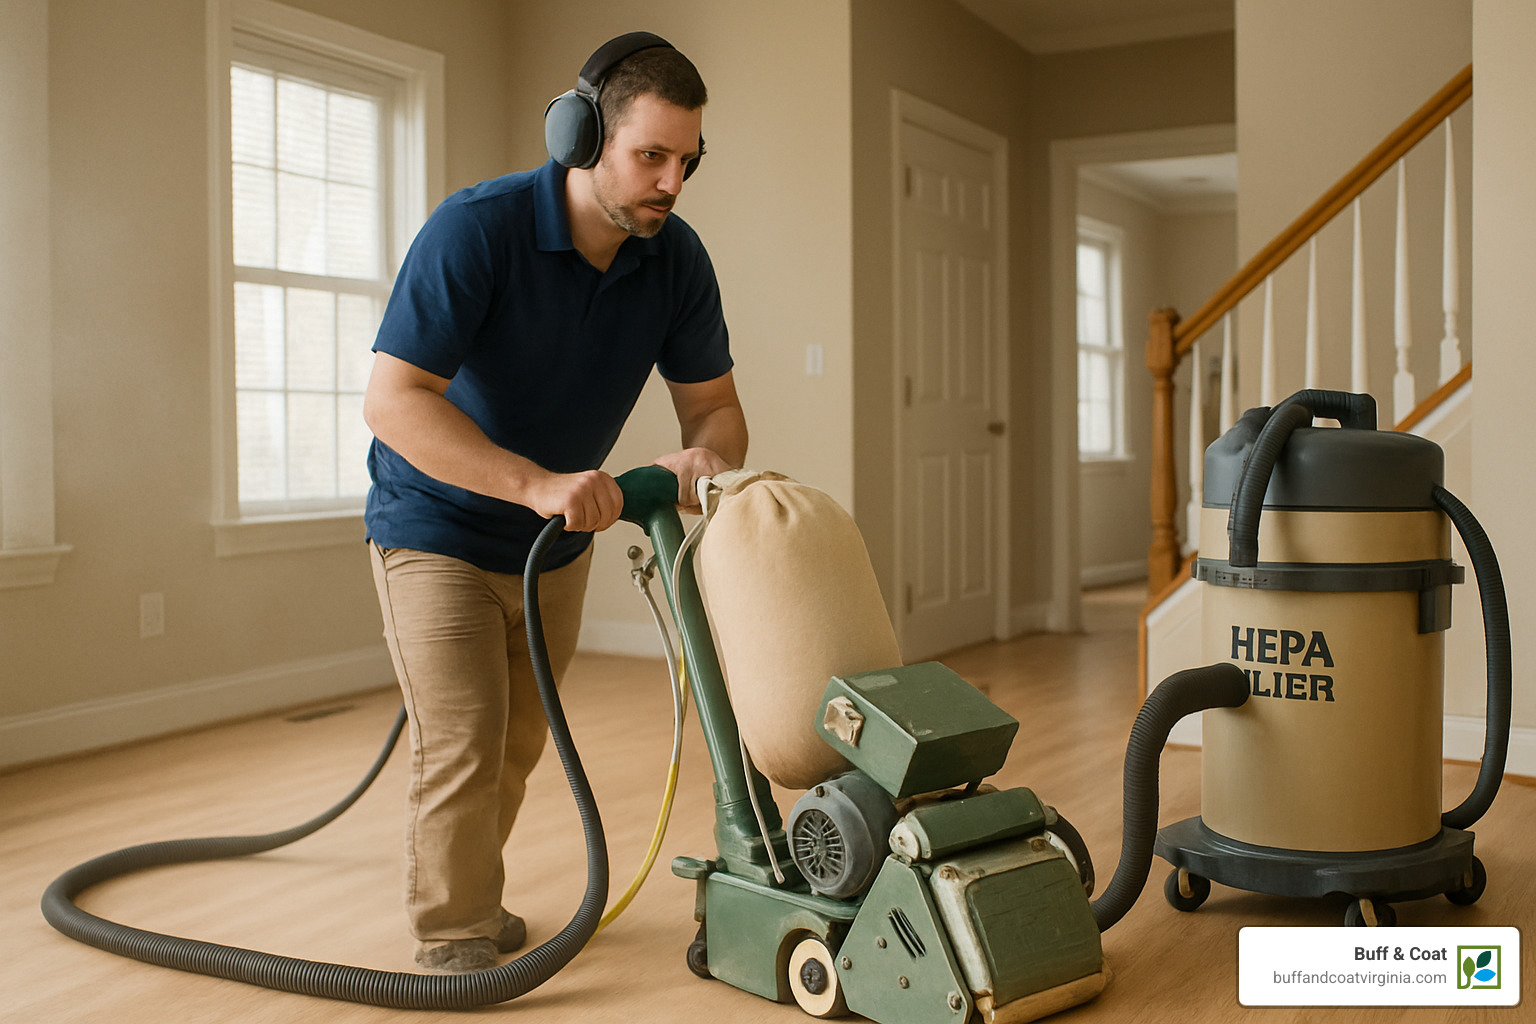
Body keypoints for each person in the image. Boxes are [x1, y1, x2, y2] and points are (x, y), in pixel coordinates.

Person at [361, 32, 746, 974]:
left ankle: (476, 910)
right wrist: (536, 483)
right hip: (436, 528)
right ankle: (451, 941)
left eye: (686, 161)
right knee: (463, 739)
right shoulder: (477, 230)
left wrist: (705, 458)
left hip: (552, 547)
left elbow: (718, 408)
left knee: (519, 744)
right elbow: (393, 399)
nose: (671, 183)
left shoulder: (675, 260)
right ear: (581, 138)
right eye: (650, 156)